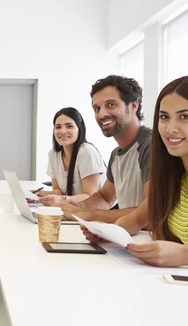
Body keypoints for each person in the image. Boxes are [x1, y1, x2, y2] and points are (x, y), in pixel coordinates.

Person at [86, 76, 188, 275]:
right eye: (164, 117)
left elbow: (187, 254)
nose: (170, 128)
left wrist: (186, 255)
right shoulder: (176, 174)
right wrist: (107, 233)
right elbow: (136, 220)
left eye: (184, 117)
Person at [61, 75, 152, 223]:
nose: (102, 114)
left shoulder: (150, 146)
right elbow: (105, 197)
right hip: (126, 237)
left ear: (133, 106)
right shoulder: (116, 154)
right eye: (97, 108)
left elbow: (152, 212)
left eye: (110, 105)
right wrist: (76, 208)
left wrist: (89, 215)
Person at [35, 107, 106, 205]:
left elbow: (90, 196)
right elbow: (58, 191)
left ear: (79, 129)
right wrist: (40, 194)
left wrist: (62, 200)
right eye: (58, 127)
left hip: (99, 211)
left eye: (69, 126)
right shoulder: (53, 154)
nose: (62, 131)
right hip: (75, 209)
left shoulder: (87, 152)